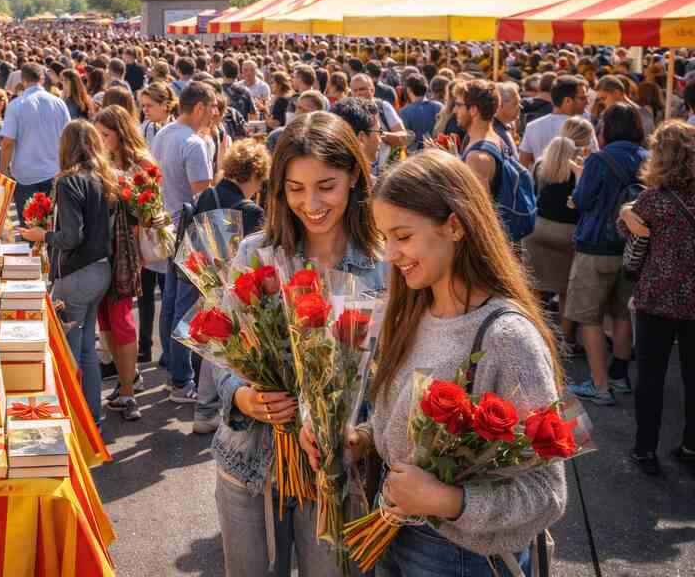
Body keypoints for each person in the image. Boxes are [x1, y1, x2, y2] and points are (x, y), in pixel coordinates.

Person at [311, 149, 565, 577]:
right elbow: (405, 421)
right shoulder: (410, 310)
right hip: (393, 529)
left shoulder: (507, 338)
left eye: (403, 236)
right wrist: (363, 438)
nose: (389, 253)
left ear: (455, 225)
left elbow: (547, 492)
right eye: (385, 237)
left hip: (461, 556)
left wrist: (449, 500)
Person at [214, 111, 384, 577]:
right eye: (294, 189)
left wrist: (358, 435)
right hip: (248, 461)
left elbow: (390, 375)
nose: (310, 203)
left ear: (354, 176)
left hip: (336, 472)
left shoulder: (382, 266)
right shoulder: (255, 252)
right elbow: (222, 349)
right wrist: (243, 396)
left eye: (326, 185)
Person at [17, 120, 115, 428]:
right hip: (100, 271)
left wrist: (41, 236)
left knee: (68, 354)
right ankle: (91, 420)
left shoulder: (69, 181)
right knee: (86, 349)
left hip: (76, 275)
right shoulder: (102, 178)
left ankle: (75, 423)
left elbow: (72, 237)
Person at [618, 120, 695, 475]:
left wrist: (624, 212)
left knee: (651, 376)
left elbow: (623, 227)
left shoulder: (654, 199)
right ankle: (691, 443)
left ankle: (646, 448)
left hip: (656, 297)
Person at [567, 102, 648, 406]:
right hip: (632, 248)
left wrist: (576, 190)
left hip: (597, 245)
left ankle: (599, 386)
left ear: (607, 128)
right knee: (621, 313)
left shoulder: (599, 160)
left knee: (589, 317)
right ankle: (619, 376)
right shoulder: (647, 158)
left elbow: (583, 199)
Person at [191, 139, 269, 435]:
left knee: (211, 343)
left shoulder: (209, 194)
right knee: (229, 349)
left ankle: (203, 408)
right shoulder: (250, 210)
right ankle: (217, 406)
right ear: (254, 174)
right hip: (237, 289)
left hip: (206, 279)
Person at [151, 82, 216, 404]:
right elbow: (203, 196)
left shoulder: (163, 133)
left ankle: (172, 368)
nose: (215, 114)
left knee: (172, 303)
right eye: (213, 106)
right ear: (200, 107)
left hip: (167, 227)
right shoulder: (193, 142)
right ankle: (181, 379)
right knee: (185, 308)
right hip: (188, 231)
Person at [93, 105, 153, 421]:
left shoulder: (141, 163)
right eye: (98, 135)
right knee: (105, 318)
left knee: (121, 318)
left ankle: (129, 391)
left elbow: (150, 208)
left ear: (121, 133)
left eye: (105, 135)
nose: (101, 140)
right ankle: (126, 378)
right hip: (104, 250)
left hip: (126, 252)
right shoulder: (102, 162)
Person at [523, 117, 595, 354]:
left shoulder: (543, 162)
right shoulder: (581, 168)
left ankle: (531, 333)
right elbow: (584, 201)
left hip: (538, 228)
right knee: (565, 291)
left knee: (536, 288)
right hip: (567, 233)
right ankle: (565, 341)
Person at [1, 63, 70, 221]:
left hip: (27, 175)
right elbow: (68, 137)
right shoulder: (59, 103)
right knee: (52, 225)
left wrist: (3, 171)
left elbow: (7, 143)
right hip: (53, 171)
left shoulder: (16, 105)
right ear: (42, 78)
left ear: (23, 80)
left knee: (29, 229)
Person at [519, 74, 593, 167]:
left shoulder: (533, 127)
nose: (587, 102)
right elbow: (593, 161)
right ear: (567, 101)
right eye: (582, 98)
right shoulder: (583, 127)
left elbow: (523, 165)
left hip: (541, 180)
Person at [397, 72, 441, 151]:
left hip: (416, 157)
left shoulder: (404, 112)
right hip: (438, 154)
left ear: (409, 90)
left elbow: (405, 140)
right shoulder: (439, 107)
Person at [138, 82, 176, 147]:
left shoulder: (177, 129)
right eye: (143, 106)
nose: (145, 110)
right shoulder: (145, 127)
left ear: (165, 105)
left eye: (149, 106)